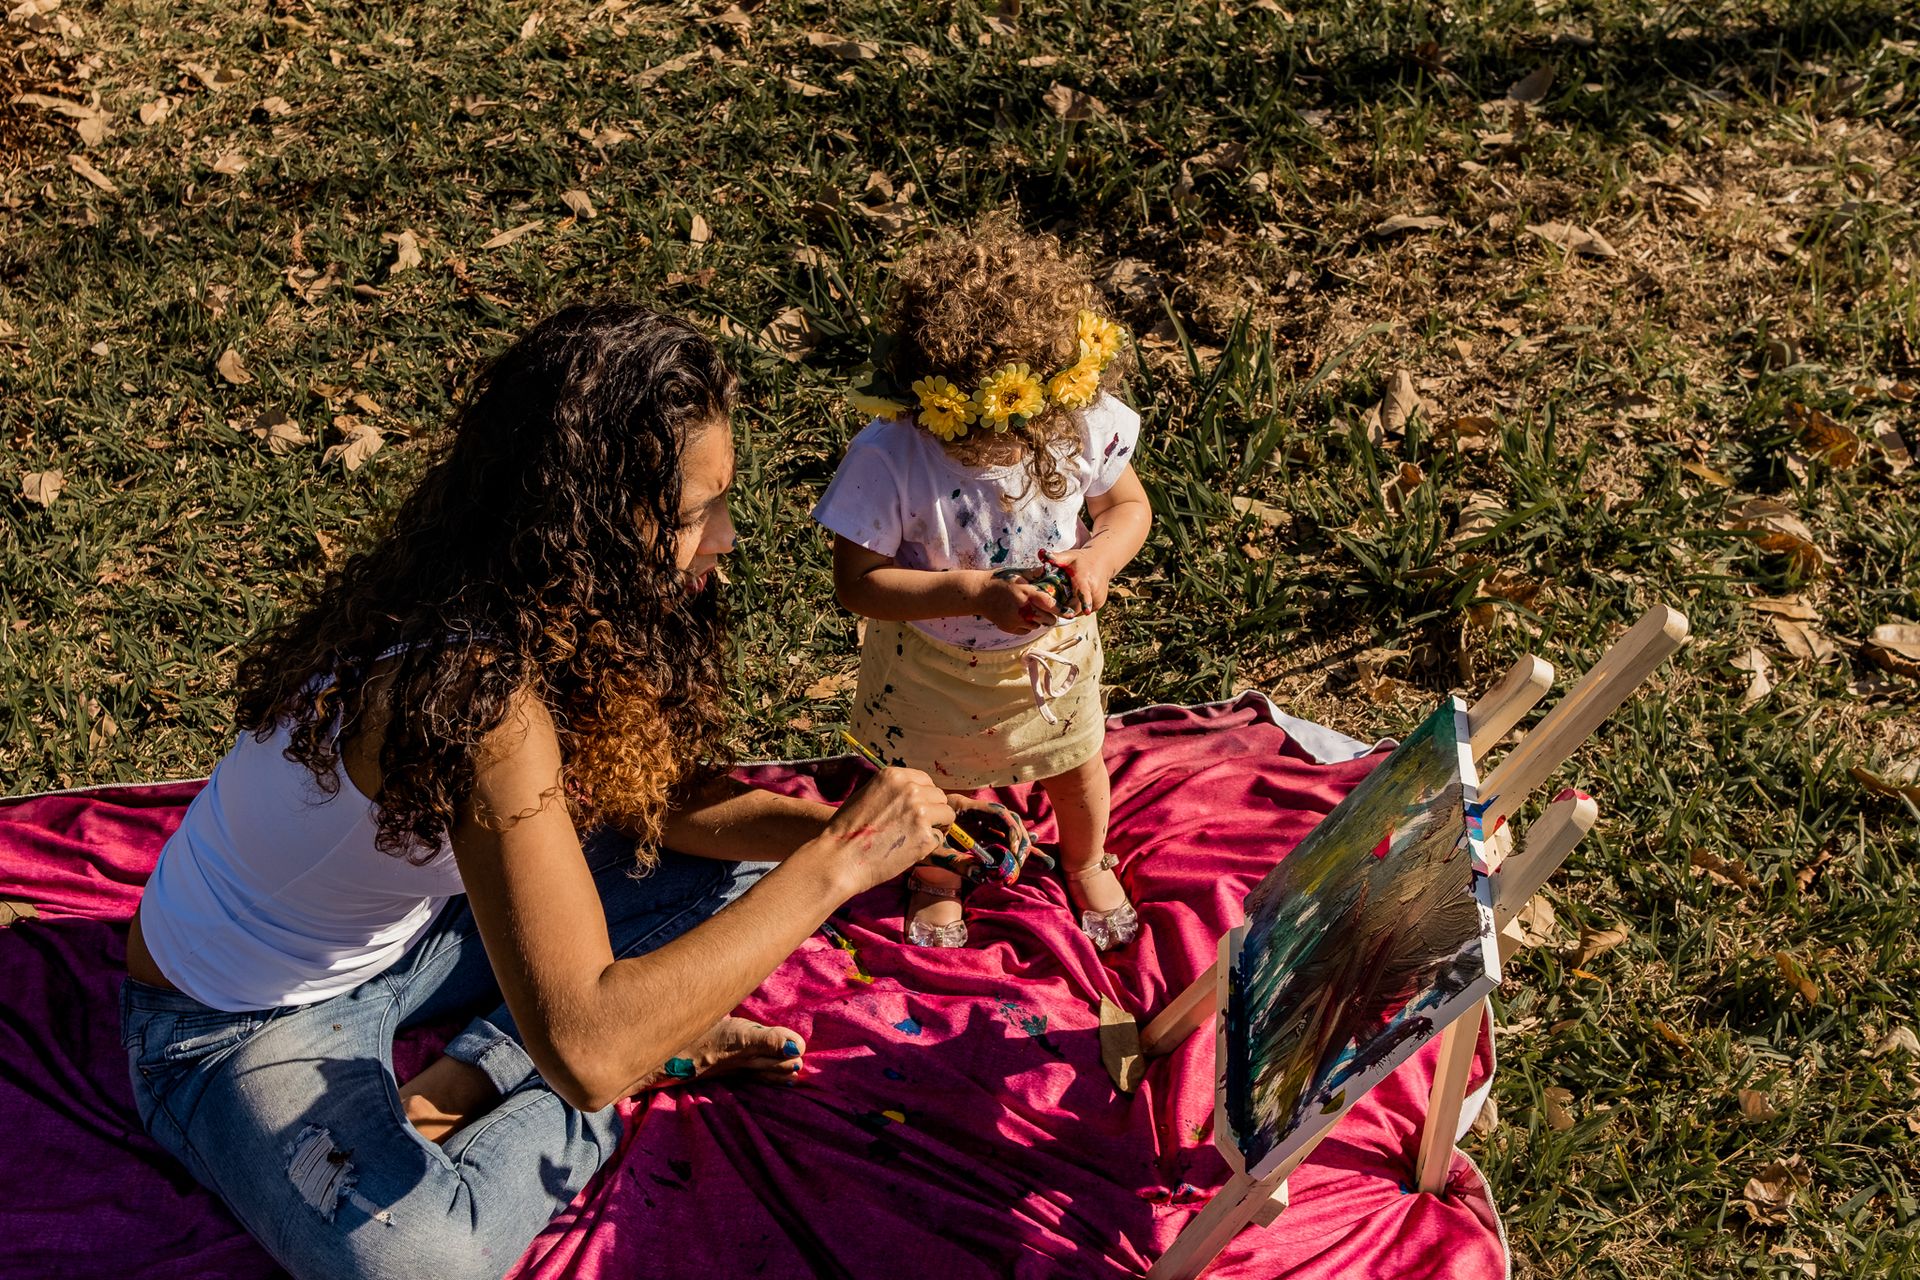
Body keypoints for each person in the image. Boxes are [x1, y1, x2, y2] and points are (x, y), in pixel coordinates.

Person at [119, 304, 989, 1280]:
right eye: (701, 509)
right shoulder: (475, 691)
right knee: (422, 1263)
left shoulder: (530, 583)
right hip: (234, 1020)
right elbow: (586, 1049)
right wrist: (841, 865)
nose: (727, 538)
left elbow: (650, 801)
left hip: (419, 926)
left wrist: (826, 832)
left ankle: (469, 1071)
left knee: (746, 877)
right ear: (600, 516)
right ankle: (626, 1056)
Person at [812, 215, 1153, 952]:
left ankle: (1086, 857)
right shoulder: (892, 453)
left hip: (1049, 661)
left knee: (1077, 765)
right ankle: (936, 873)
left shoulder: (1076, 422)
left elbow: (1127, 506)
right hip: (929, 667)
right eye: (961, 425)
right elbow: (858, 584)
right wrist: (970, 593)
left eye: (1006, 422)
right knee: (925, 782)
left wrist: (1096, 561)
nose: (982, 441)